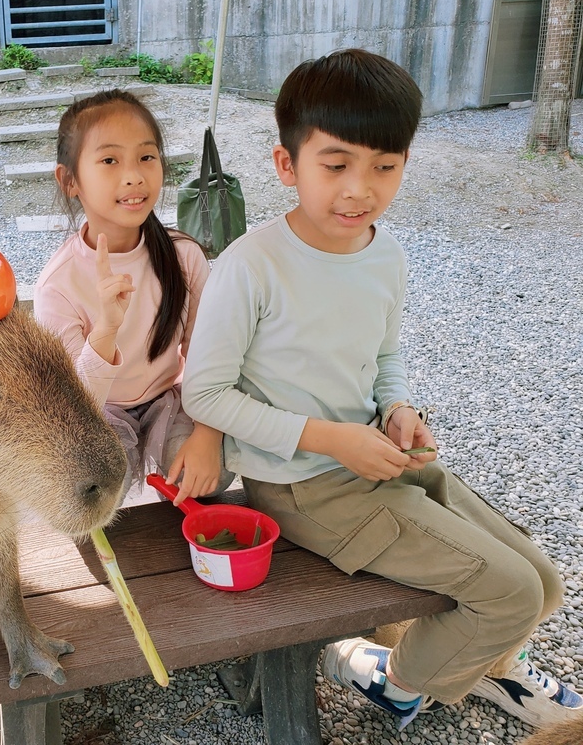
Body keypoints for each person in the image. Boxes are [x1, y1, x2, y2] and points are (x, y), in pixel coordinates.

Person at [180, 48, 582, 730]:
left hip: (378, 463)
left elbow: (385, 355)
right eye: (335, 166)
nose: (359, 190)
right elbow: (207, 395)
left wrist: (398, 409)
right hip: (306, 487)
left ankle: (475, 666)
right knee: (510, 595)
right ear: (288, 166)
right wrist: (332, 438)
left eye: (385, 167)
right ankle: (391, 679)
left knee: (543, 586)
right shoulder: (253, 264)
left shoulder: (384, 252)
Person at [33, 89, 233, 504]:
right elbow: (75, 399)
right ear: (70, 181)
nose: (134, 176)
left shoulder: (184, 255)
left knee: (216, 472)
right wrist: (105, 329)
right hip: (98, 412)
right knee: (91, 494)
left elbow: (207, 355)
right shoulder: (57, 285)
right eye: (109, 160)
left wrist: (209, 435)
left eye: (146, 157)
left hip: (169, 398)